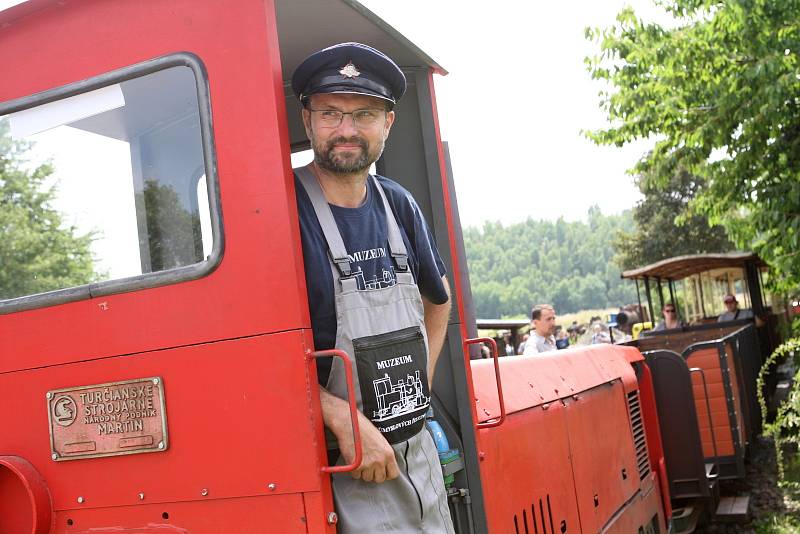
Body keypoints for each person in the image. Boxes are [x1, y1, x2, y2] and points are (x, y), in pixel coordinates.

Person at [291, 43, 454, 533]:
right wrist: (340, 416)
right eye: (331, 113)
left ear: (388, 123)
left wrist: (418, 388)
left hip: (416, 456)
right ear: (308, 120)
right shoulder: (283, 209)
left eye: (363, 113)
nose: (346, 129)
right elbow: (252, 353)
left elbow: (438, 301)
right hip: (338, 468)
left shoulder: (399, 204)